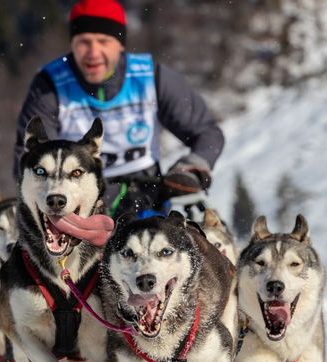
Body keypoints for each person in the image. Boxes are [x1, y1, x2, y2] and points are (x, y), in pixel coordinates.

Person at [13, 0, 224, 218]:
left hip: (147, 195)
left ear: (120, 43)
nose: (93, 52)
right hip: (78, 201)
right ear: (72, 43)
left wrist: (189, 169)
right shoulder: (50, 85)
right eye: (84, 42)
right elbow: (32, 154)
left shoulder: (150, 77)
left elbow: (207, 133)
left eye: (103, 41)